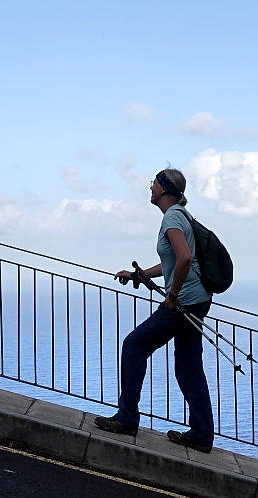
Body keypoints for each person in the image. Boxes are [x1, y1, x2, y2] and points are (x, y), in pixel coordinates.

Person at [93, 168, 214, 453]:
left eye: (153, 183)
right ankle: (201, 434)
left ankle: (126, 419)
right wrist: (139, 276)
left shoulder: (172, 217)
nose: (150, 188)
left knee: (134, 345)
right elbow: (173, 262)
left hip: (182, 301)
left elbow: (184, 259)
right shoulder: (183, 215)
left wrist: (172, 296)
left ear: (163, 188)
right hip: (198, 298)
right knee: (188, 367)